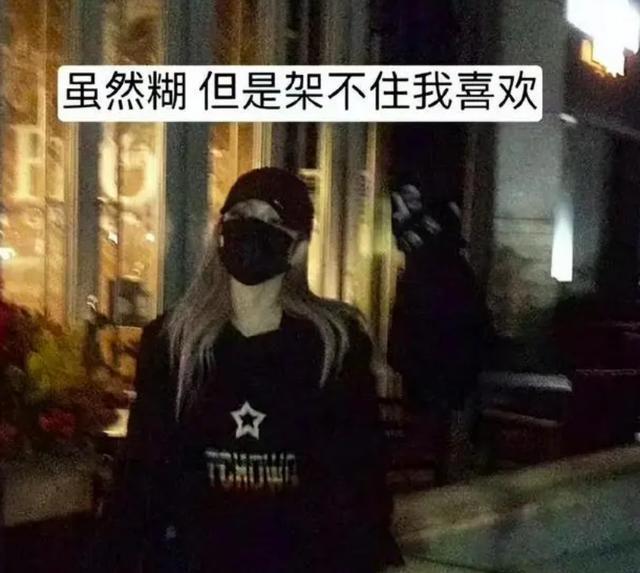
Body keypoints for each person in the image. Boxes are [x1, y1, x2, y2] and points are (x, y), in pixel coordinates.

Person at [88, 167, 403, 573]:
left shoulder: (331, 344)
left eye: (272, 220)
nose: (253, 228)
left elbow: (359, 474)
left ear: (299, 246)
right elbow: (142, 473)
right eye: (241, 215)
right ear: (220, 231)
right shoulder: (175, 341)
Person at [388, 184, 489, 485]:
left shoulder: (423, 274)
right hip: (451, 382)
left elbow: (404, 337)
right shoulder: (456, 272)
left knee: (431, 454)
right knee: (445, 458)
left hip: (435, 383)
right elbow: (479, 330)